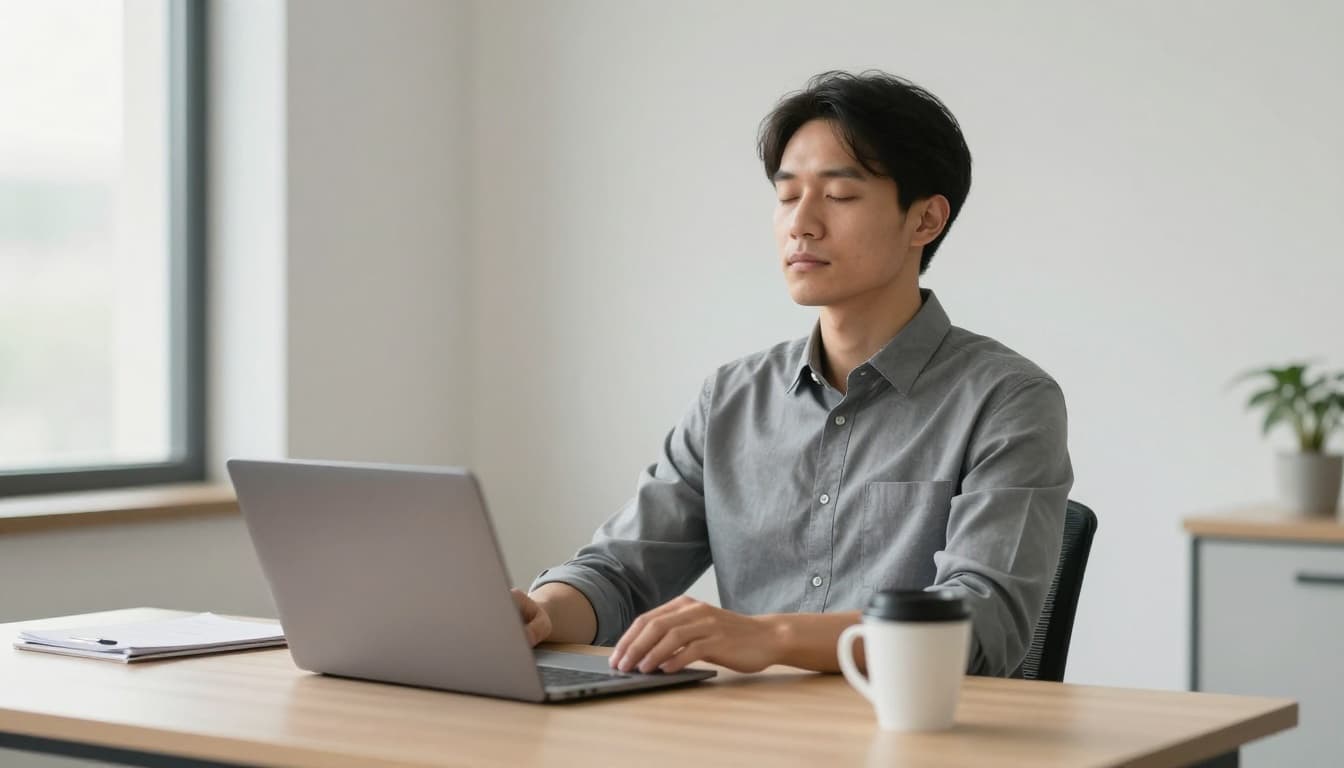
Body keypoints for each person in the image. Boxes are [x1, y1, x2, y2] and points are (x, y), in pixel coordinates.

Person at [511, 70, 1072, 677]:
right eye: (786, 195)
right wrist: (541, 612)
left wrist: (772, 636)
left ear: (924, 221)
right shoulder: (730, 398)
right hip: (754, 737)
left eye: (838, 195)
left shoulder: (1008, 400)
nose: (801, 222)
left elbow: (981, 623)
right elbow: (619, 573)